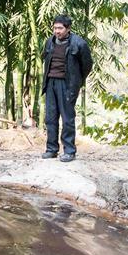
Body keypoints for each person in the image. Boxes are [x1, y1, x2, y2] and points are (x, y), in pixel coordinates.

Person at [41, 14, 93, 162]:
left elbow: (87, 65)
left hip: (67, 84)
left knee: (67, 118)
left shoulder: (79, 43)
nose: (57, 31)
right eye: (55, 28)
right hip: (51, 82)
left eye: (60, 28)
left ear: (68, 28)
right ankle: (51, 149)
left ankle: (69, 151)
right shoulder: (49, 42)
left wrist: (77, 81)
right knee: (50, 118)